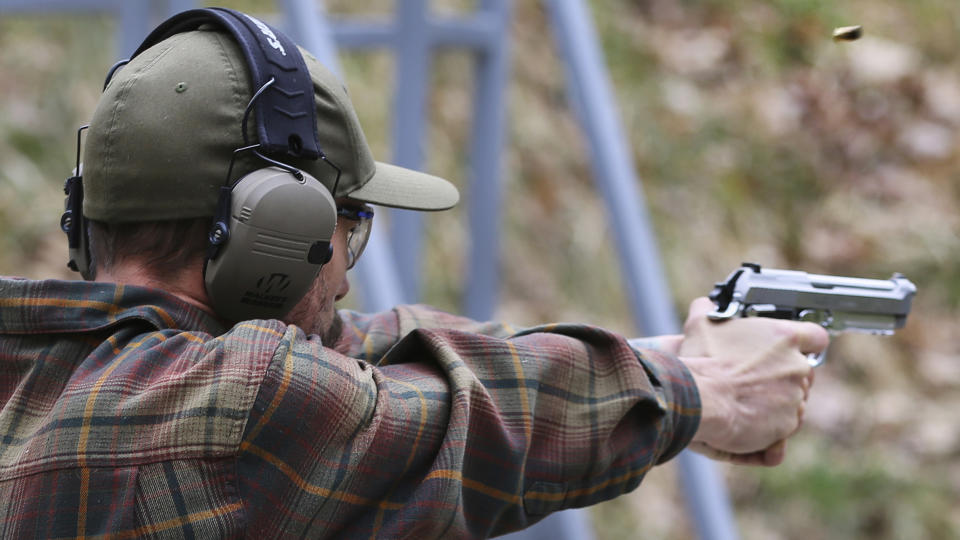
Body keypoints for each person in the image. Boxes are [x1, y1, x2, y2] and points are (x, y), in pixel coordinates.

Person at [0, 9, 827, 539]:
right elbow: (466, 421)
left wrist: (670, 353)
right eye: (341, 230)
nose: (346, 278)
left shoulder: (44, 376)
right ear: (273, 232)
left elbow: (373, 354)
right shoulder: (235, 410)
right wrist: (707, 395)